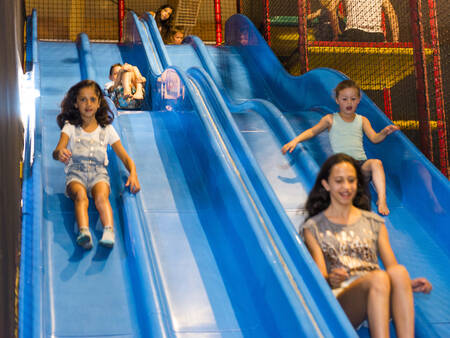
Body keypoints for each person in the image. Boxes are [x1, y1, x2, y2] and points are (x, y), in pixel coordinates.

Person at [300, 153, 432, 336]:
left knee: (399, 272)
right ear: (326, 184)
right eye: (339, 181)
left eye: (351, 180)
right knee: (378, 278)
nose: (346, 187)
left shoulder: (373, 222)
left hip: (379, 294)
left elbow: (392, 268)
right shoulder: (314, 227)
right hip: (344, 301)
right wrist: (332, 279)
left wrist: (408, 284)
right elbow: (320, 281)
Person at [282, 79, 399, 215]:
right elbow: (312, 131)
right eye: (344, 99)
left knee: (376, 163)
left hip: (361, 167)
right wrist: (295, 140)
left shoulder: (362, 120)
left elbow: (374, 138)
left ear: (358, 100)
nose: (349, 102)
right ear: (337, 100)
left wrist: (384, 132)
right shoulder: (330, 119)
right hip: (343, 167)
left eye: (353, 99)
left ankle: (382, 199)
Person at [52, 80, 140, 249]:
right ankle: (84, 232)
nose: (88, 104)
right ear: (76, 103)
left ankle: (108, 231)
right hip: (76, 173)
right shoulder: (70, 128)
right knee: (80, 196)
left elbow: (125, 158)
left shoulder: (106, 129)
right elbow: (57, 150)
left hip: (99, 173)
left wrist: (133, 173)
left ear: (99, 103)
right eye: (83, 100)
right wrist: (60, 153)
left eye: (92, 99)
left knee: (101, 197)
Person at [322, 0, 399, 42]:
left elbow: (331, 8)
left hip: (353, 34)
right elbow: (391, 13)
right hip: (376, 36)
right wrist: (395, 41)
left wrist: (336, 34)